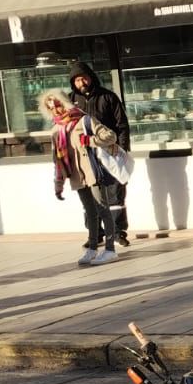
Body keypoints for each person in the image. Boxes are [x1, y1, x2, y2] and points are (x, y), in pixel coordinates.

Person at [42, 91, 120, 265]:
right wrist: (58, 184)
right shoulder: (56, 131)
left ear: (65, 102)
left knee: (102, 209)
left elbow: (111, 136)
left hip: (93, 172)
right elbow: (58, 161)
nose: (56, 110)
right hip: (76, 176)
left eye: (58, 104)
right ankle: (92, 249)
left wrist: (90, 140)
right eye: (51, 108)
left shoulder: (84, 120)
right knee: (89, 212)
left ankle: (110, 249)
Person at [69, 59, 132, 247]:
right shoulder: (71, 102)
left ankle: (119, 231)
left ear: (91, 77)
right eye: (77, 80)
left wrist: (121, 151)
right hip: (85, 156)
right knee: (90, 195)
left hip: (109, 152)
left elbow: (122, 125)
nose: (82, 83)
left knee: (114, 193)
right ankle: (95, 234)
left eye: (84, 78)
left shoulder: (108, 97)